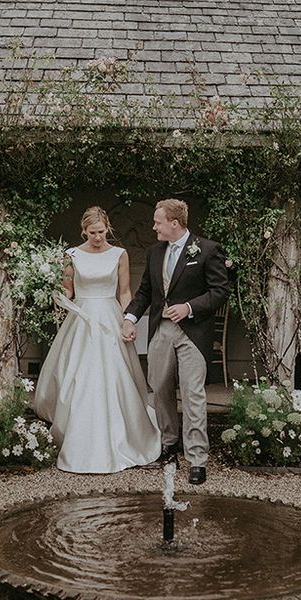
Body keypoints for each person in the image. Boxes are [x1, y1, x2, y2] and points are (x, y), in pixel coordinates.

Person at [34, 206, 161, 473]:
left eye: (101, 232)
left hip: (109, 318)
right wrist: (52, 290)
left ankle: (122, 437)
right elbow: (68, 290)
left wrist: (129, 319)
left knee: (114, 377)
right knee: (79, 377)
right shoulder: (71, 255)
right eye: (92, 233)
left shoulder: (119, 255)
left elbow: (124, 292)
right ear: (84, 231)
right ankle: (79, 439)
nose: (97, 237)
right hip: (81, 320)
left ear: (107, 228)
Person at [122, 199, 229, 485]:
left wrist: (189, 307)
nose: (154, 226)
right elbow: (145, 292)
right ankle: (168, 444)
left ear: (174, 223)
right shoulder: (155, 252)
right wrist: (130, 318)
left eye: (158, 221)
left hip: (193, 331)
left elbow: (220, 291)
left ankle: (196, 458)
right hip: (161, 330)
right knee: (159, 388)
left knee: (193, 394)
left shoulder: (207, 249)